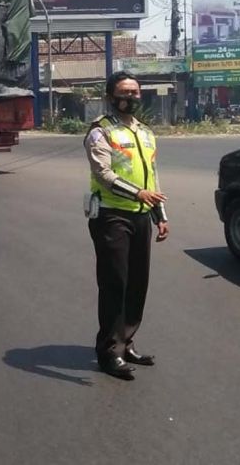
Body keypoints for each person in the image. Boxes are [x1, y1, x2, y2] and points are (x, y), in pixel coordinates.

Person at [84, 71, 170, 381]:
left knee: (137, 284)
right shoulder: (100, 132)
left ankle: (126, 341)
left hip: (141, 215)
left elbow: (152, 176)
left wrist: (160, 215)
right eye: (124, 92)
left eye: (135, 92)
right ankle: (109, 352)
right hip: (111, 216)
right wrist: (138, 193)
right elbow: (104, 174)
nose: (131, 97)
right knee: (114, 284)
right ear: (110, 97)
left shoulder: (146, 133)